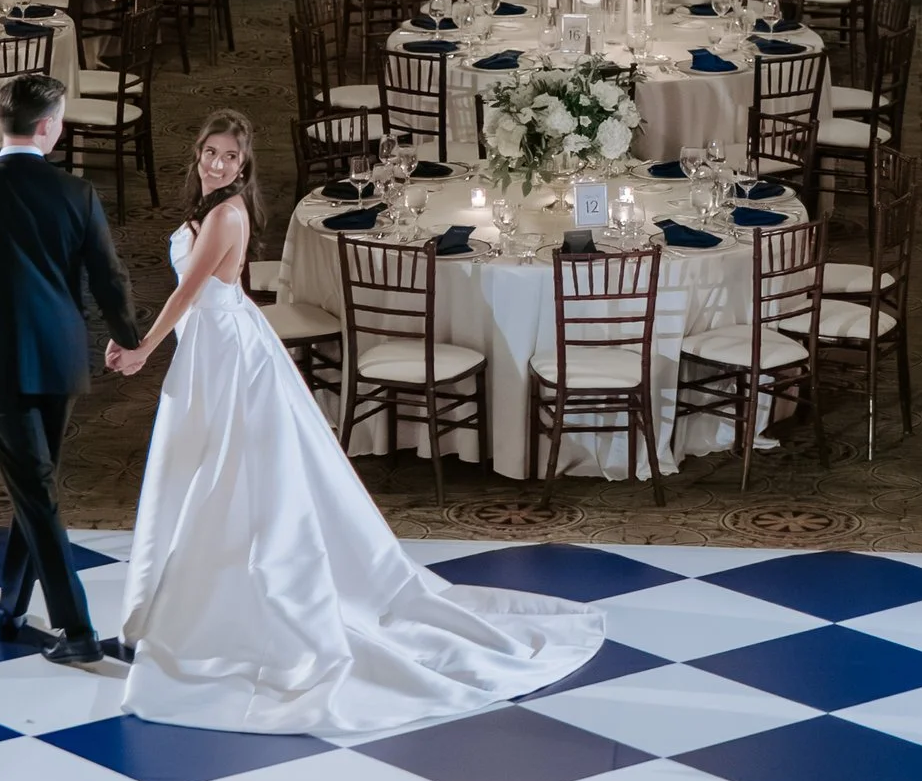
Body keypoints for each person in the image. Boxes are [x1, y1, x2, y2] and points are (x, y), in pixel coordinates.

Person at [104, 112, 602, 737]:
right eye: (210, 152)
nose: (218, 165)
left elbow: (190, 290)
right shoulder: (209, 207)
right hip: (213, 343)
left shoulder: (227, 214)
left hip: (225, 349)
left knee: (230, 471)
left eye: (230, 157)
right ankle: (186, 601)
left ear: (244, 164)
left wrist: (143, 347)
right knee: (202, 465)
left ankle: (226, 606)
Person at [0, 70, 139, 670]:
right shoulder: (76, 193)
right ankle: (31, 613)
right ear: (48, 126)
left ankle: (57, 623)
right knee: (38, 487)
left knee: (36, 491)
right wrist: (133, 340)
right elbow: (109, 277)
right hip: (59, 358)